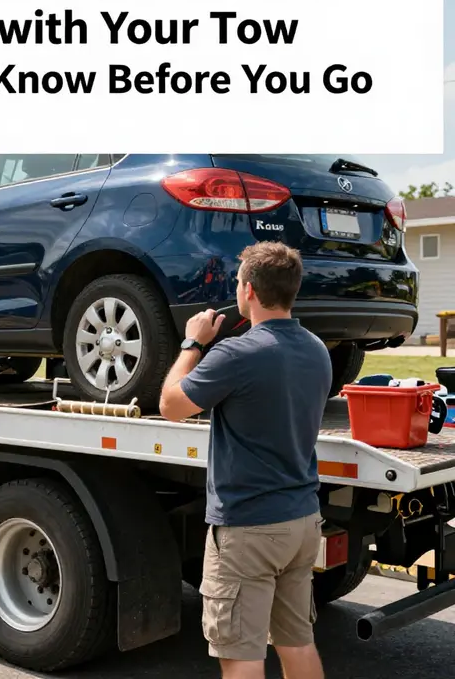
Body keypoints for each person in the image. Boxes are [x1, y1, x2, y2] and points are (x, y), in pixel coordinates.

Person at [159, 242, 331, 679]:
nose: (236, 289)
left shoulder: (235, 354)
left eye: (238, 282)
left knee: (241, 658)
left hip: (248, 528)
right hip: (302, 521)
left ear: (249, 291)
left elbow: (171, 405)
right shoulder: (316, 350)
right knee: (298, 644)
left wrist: (192, 343)